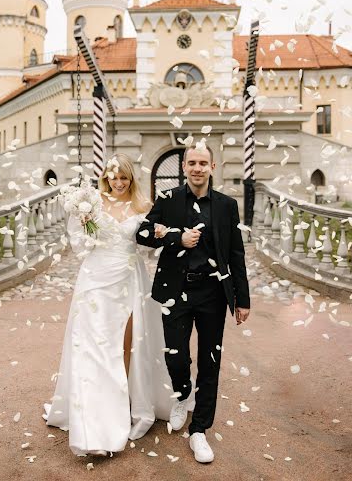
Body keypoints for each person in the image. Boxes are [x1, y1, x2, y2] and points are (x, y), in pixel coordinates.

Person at [43, 154, 172, 456]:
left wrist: (163, 235)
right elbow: (79, 245)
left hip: (129, 281)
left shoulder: (143, 207)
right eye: (113, 176)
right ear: (105, 178)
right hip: (95, 280)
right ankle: (92, 417)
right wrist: (85, 224)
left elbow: (149, 247)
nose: (118, 181)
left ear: (130, 179)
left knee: (124, 346)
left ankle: (121, 401)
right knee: (91, 346)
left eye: (124, 177)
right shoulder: (92, 204)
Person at [136, 145, 250, 464]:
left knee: (210, 362)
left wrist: (243, 299)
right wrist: (175, 238)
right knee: (176, 356)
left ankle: (199, 430)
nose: (197, 168)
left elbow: (237, 254)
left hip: (213, 294)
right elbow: (143, 232)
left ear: (212, 166)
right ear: (183, 166)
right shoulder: (168, 199)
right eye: (192, 163)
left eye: (203, 163)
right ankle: (182, 393)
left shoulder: (227, 205)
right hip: (176, 290)